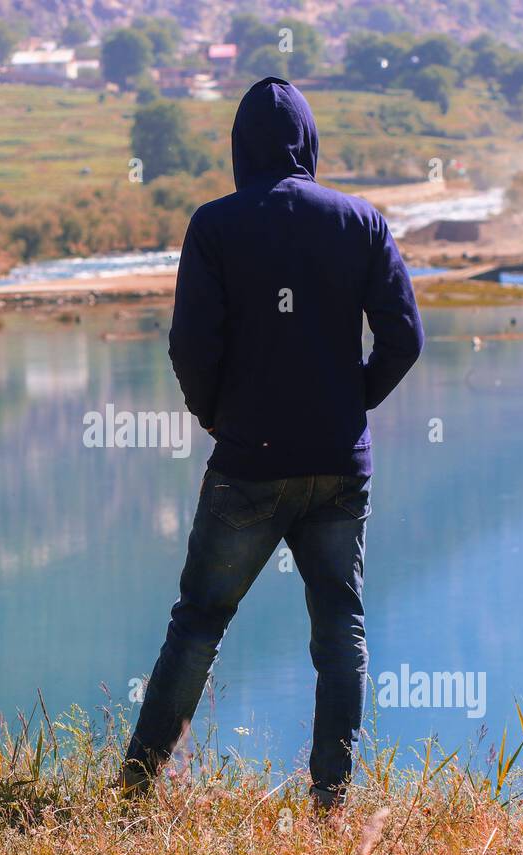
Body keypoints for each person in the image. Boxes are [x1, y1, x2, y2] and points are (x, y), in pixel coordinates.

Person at [121, 77, 424, 809]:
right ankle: (331, 800)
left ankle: (135, 790)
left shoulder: (216, 226)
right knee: (340, 627)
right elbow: (404, 339)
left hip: (249, 462)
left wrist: (215, 416)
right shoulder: (362, 223)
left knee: (199, 621)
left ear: (240, 147)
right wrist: (351, 402)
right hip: (337, 464)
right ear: (310, 143)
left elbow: (192, 345)